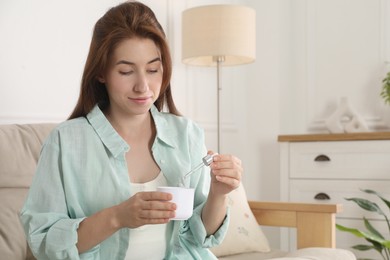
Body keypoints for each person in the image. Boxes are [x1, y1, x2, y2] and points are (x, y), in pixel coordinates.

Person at [20, 1, 243, 259]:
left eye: (152, 69)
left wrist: (218, 194)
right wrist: (117, 217)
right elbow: (45, 242)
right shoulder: (65, 142)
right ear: (102, 72)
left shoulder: (187, 134)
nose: (143, 86)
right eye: (126, 71)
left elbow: (198, 238)